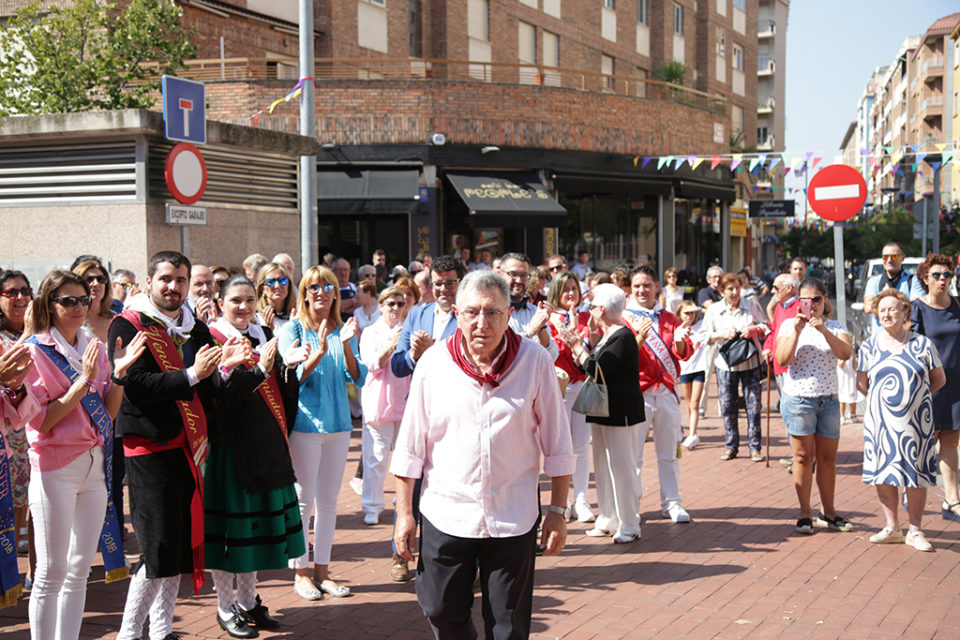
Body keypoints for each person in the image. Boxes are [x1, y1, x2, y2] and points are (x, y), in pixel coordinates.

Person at [391, 270, 574, 638]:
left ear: (509, 316)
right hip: (447, 511)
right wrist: (404, 513)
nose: (481, 323)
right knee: (440, 608)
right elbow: (410, 445)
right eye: (472, 312)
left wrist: (557, 511)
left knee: (508, 626)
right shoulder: (433, 364)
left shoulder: (535, 361)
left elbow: (558, 442)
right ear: (456, 313)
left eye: (493, 313)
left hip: (513, 514)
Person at [111, 251, 247, 640]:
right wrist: (191, 373)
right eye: (166, 279)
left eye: (180, 280)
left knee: (179, 548)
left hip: (189, 447)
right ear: (149, 282)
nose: (173, 287)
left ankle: (161, 631)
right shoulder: (128, 324)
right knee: (157, 548)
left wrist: (226, 370)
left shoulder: (195, 329)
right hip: (149, 449)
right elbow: (136, 387)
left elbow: (204, 389)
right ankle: (128, 633)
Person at [20, 270, 142, 640]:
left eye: (83, 300)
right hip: (55, 468)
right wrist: (83, 382)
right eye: (67, 300)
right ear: (49, 305)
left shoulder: (92, 342)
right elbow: (41, 420)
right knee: (50, 572)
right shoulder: (34, 351)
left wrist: (118, 376)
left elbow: (107, 412)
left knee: (79, 568)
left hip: (94, 466)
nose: (78, 307)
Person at [204, 276, 305, 637]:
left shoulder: (263, 334)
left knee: (253, 530)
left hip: (262, 445)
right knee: (232, 531)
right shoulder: (210, 338)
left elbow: (275, 388)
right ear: (220, 302)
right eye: (235, 300)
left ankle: (247, 601)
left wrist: (289, 367)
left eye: (249, 300)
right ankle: (223, 606)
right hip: (229, 448)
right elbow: (216, 398)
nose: (244, 307)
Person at [278, 266, 366, 601]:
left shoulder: (344, 330)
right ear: (304, 293)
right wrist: (314, 356)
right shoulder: (293, 330)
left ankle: (323, 572)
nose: (320, 292)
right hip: (305, 425)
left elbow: (357, 378)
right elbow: (290, 382)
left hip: (339, 425)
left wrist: (344, 346)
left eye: (327, 286)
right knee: (303, 500)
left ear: (335, 293)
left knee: (329, 503)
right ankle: (300, 573)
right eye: (313, 287)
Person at [387, 256, 461, 581]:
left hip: (457, 412)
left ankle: (461, 560)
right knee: (408, 480)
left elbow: (471, 362)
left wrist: (434, 352)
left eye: (449, 282)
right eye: (437, 282)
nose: (442, 288)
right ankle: (400, 553)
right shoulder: (417, 313)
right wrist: (416, 354)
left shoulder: (469, 315)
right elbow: (397, 365)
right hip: (418, 410)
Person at [857, 289, 945, 551]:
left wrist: (915, 398)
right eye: (882, 309)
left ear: (905, 312)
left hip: (917, 422)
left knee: (915, 474)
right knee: (883, 472)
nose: (886, 313)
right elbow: (863, 384)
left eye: (893, 308)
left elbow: (939, 380)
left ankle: (915, 530)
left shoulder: (923, 344)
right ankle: (892, 527)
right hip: (880, 423)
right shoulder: (868, 346)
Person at [559, 283, 643, 544]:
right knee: (604, 467)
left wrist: (577, 348)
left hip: (622, 412)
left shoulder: (623, 336)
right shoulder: (607, 334)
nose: (590, 310)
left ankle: (630, 524)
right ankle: (608, 518)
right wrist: (581, 347)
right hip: (604, 410)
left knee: (622, 468)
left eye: (593, 306)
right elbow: (590, 367)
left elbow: (599, 370)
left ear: (602, 309)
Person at [775, 278, 854, 535]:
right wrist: (798, 331)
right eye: (805, 301)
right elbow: (782, 359)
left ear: (825, 299)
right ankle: (804, 513)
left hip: (829, 400)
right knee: (803, 457)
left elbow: (845, 353)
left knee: (828, 459)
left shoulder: (836, 326)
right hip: (799, 400)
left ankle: (829, 513)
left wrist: (824, 330)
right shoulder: (789, 325)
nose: (812, 306)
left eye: (816, 300)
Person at [622, 266, 692, 523]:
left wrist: (682, 340)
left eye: (647, 285)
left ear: (656, 287)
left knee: (669, 454)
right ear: (631, 288)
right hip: (638, 393)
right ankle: (632, 506)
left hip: (665, 393)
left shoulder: (670, 319)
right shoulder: (624, 318)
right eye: (638, 285)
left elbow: (684, 353)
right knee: (633, 456)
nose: (642, 290)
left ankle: (672, 503)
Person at [910, 253, 960, 522]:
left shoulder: (958, 306)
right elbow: (913, 347)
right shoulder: (917, 308)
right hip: (930, 386)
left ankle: (952, 500)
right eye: (937, 275)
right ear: (925, 279)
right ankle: (914, 494)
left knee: (951, 442)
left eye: (947, 275)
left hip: (956, 385)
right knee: (925, 443)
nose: (943, 280)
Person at [701, 273, 769, 461]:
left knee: (754, 406)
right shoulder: (714, 310)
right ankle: (731, 446)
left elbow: (767, 326)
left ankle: (755, 447)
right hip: (726, 365)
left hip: (750, 362)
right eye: (729, 289)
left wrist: (754, 329)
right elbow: (703, 336)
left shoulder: (752, 306)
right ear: (721, 291)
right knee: (728, 406)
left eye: (737, 288)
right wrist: (721, 334)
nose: (734, 292)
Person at [358, 287, 411, 526]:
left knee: (404, 456)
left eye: (400, 304)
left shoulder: (407, 330)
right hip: (378, 400)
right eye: (391, 304)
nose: (396, 309)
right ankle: (371, 504)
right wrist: (392, 343)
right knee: (376, 457)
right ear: (381, 306)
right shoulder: (370, 332)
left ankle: (401, 499)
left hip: (405, 400)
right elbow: (373, 363)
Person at [545, 271, 594, 522]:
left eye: (574, 288)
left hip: (582, 386)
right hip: (559, 389)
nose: (571, 293)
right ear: (556, 292)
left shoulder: (588, 317)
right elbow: (551, 354)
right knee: (561, 448)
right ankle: (561, 501)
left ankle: (582, 500)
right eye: (565, 289)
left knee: (582, 447)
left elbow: (592, 352)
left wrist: (580, 336)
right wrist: (569, 335)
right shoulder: (548, 318)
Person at [0, 271, 34, 573]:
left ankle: (22, 535)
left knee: (25, 485)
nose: (20, 298)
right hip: (6, 429)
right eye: (11, 292)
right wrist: (29, 335)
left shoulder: (43, 333)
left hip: (34, 423)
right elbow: (11, 366)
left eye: (25, 291)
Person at [496, 253, 558, 360]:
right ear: (500, 275)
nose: (519, 280)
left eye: (524, 275)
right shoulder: (490, 311)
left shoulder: (535, 311)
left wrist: (541, 327)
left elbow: (552, 356)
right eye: (513, 274)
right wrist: (529, 332)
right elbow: (498, 352)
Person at [863, 242, 922, 334]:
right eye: (885, 257)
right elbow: (868, 307)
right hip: (880, 339)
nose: (889, 260)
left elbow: (915, 309)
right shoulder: (874, 282)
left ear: (903, 258)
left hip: (904, 339)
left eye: (894, 256)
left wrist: (881, 299)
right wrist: (902, 305)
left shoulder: (913, 281)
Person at [675, 300, 708, 450]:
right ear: (679, 314)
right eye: (686, 313)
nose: (689, 316)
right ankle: (691, 432)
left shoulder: (702, 325)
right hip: (684, 369)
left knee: (695, 403)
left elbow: (711, 321)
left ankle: (693, 433)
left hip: (699, 368)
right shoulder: (677, 328)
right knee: (688, 403)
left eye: (692, 312)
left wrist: (704, 309)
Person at [72, 258, 116, 342]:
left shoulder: (117, 319)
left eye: (101, 279)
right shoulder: (72, 321)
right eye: (89, 279)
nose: (96, 284)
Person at [255, 262, 296, 334]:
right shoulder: (255, 318)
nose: (277, 286)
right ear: (262, 288)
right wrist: (268, 332)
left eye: (282, 281)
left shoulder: (297, 315)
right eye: (270, 282)